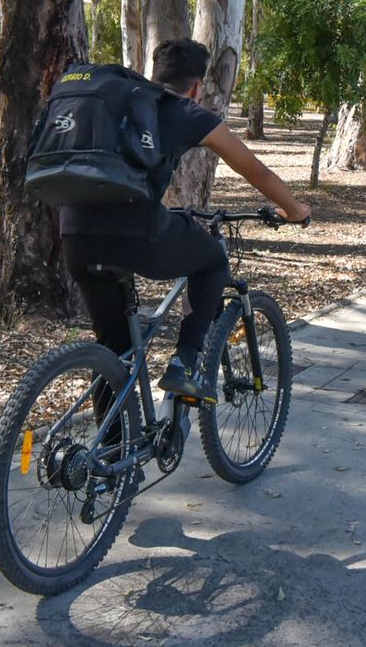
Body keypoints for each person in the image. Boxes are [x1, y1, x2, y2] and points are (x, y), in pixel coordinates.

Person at [59, 38, 311, 401]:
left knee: (114, 351)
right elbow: (258, 172)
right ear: (196, 87)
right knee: (213, 260)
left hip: (75, 234)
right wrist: (296, 210)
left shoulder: (118, 103)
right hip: (135, 233)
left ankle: (110, 438)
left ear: (154, 73)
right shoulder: (187, 112)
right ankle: (185, 364)